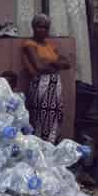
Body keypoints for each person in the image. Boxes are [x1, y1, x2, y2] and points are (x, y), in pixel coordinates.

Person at [22, 14, 70, 143]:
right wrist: (55, 64)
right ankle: (40, 150)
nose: (42, 30)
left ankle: (51, 148)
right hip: (40, 86)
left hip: (55, 87)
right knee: (40, 119)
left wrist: (49, 63)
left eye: (45, 27)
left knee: (55, 117)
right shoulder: (29, 44)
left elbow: (67, 63)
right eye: (39, 27)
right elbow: (38, 67)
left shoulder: (50, 46)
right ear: (33, 27)